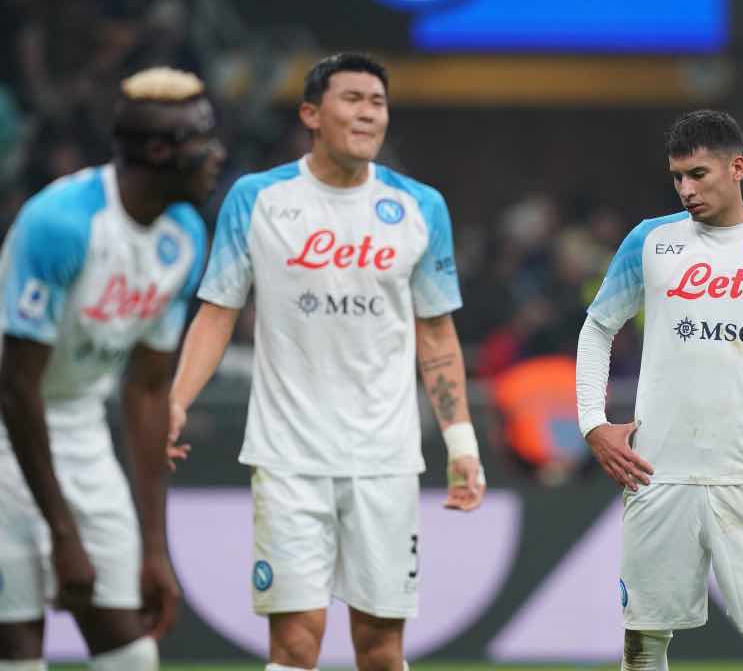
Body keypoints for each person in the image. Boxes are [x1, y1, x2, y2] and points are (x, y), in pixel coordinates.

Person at [166, 52, 485, 671]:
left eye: (378, 102)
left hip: (385, 459)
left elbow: (438, 335)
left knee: (381, 649)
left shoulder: (421, 208)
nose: (368, 113)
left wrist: (462, 443)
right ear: (311, 113)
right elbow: (216, 313)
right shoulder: (257, 200)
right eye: (353, 99)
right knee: (294, 644)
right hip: (288, 457)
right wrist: (176, 402)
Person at [577, 110, 743, 671]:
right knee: (644, 642)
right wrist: (592, 421)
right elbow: (598, 327)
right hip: (657, 472)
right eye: (677, 177)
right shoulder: (650, 241)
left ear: (738, 167)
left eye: (698, 174)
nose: (686, 189)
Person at [0, 67, 224, 670]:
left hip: (79, 429)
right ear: (158, 151)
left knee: (131, 656)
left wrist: (155, 547)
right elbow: (15, 387)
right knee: (17, 654)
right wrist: (62, 532)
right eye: (204, 140)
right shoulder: (61, 224)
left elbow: (149, 391)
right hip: (6, 437)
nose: (217, 155)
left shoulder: (183, 236)